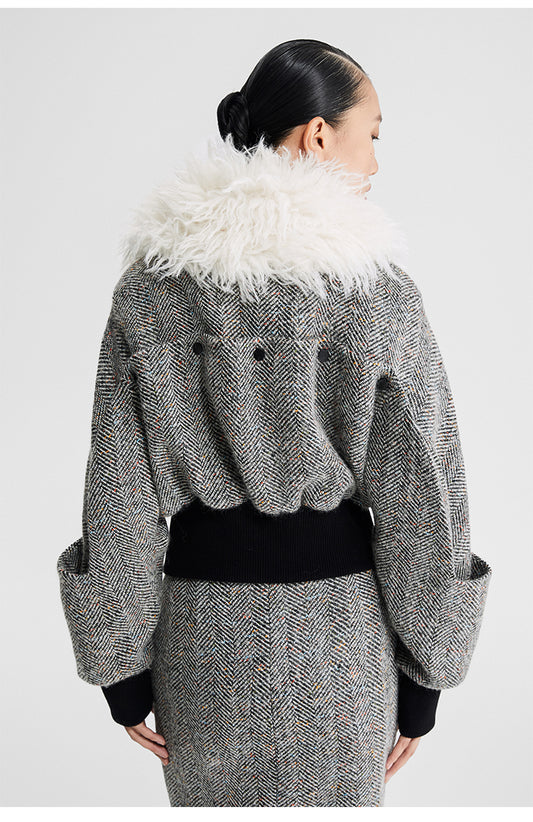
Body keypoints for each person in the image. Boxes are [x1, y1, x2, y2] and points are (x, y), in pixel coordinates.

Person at [56, 38, 493, 807]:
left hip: (200, 647)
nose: (375, 163)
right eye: (372, 135)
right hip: (341, 644)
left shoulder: (150, 292)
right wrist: (427, 677)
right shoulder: (375, 293)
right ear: (319, 134)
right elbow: (425, 494)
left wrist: (121, 672)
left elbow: (118, 490)